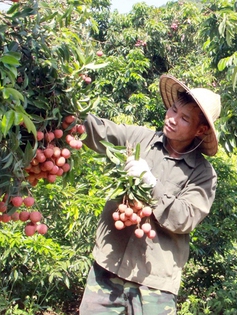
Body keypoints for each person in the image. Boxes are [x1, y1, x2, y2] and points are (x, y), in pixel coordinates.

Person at [78, 74, 222, 314]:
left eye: (184, 118)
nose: (172, 119)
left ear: (201, 130)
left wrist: (151, 183)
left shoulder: (203, 174)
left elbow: (184, 218)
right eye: (173, 110)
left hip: (154, 283)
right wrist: (64, 105)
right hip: (107, 269)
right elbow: (99, 132)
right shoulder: (139, 139)